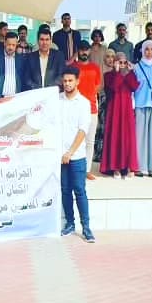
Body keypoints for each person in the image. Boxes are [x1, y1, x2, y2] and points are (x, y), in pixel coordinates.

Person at [59, 66, 94, 242]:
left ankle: (86, 227)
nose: (67, 84)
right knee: (65, 191)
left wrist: (70, 152)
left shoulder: (84, 103)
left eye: (70, 80)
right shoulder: (57, 101)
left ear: (77, 81)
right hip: (60, 156)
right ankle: (70, 224)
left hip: (77, 156)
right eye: (65, 81)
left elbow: (82, 131)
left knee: (79, 191)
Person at [99, 52, 140, 179]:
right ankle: (115, 168)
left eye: (124, 62)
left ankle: (129, 167)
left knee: (128, 137)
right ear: (115, 63)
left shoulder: (130, 74)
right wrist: (117, 73)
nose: (122, 64)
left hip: (127, 109)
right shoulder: (108, 75)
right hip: (114, 109)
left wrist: (130, 72)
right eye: (119, 62)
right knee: (115, 136)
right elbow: (113, 87)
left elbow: (134, 87)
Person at [132, 40, 152, 177]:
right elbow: (132, 88)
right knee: (139, 136)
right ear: (142, 51)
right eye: (146, 49)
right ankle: (138, 167)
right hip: (140, 104)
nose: (149, 52)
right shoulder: (136, 67)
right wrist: (132, 104)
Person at [74, 41, 103, 179]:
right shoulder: (72, 67)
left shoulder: (95, 68)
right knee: (75, 139)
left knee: (90, 141)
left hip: (91, 108)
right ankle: (74, 169)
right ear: (78, 51)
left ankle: (87, 170)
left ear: (89, 51)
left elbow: (98, 86)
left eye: (86, 50)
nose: (84, 52)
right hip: (75, 108)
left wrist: (89, 96)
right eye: (81, 50)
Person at [0, 31, 26, 99]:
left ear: (17, 44)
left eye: (13, 45)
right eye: (9, 44)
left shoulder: (21, 60)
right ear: (4, 43)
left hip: (15, 99)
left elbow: (22, 79)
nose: (11, 47)